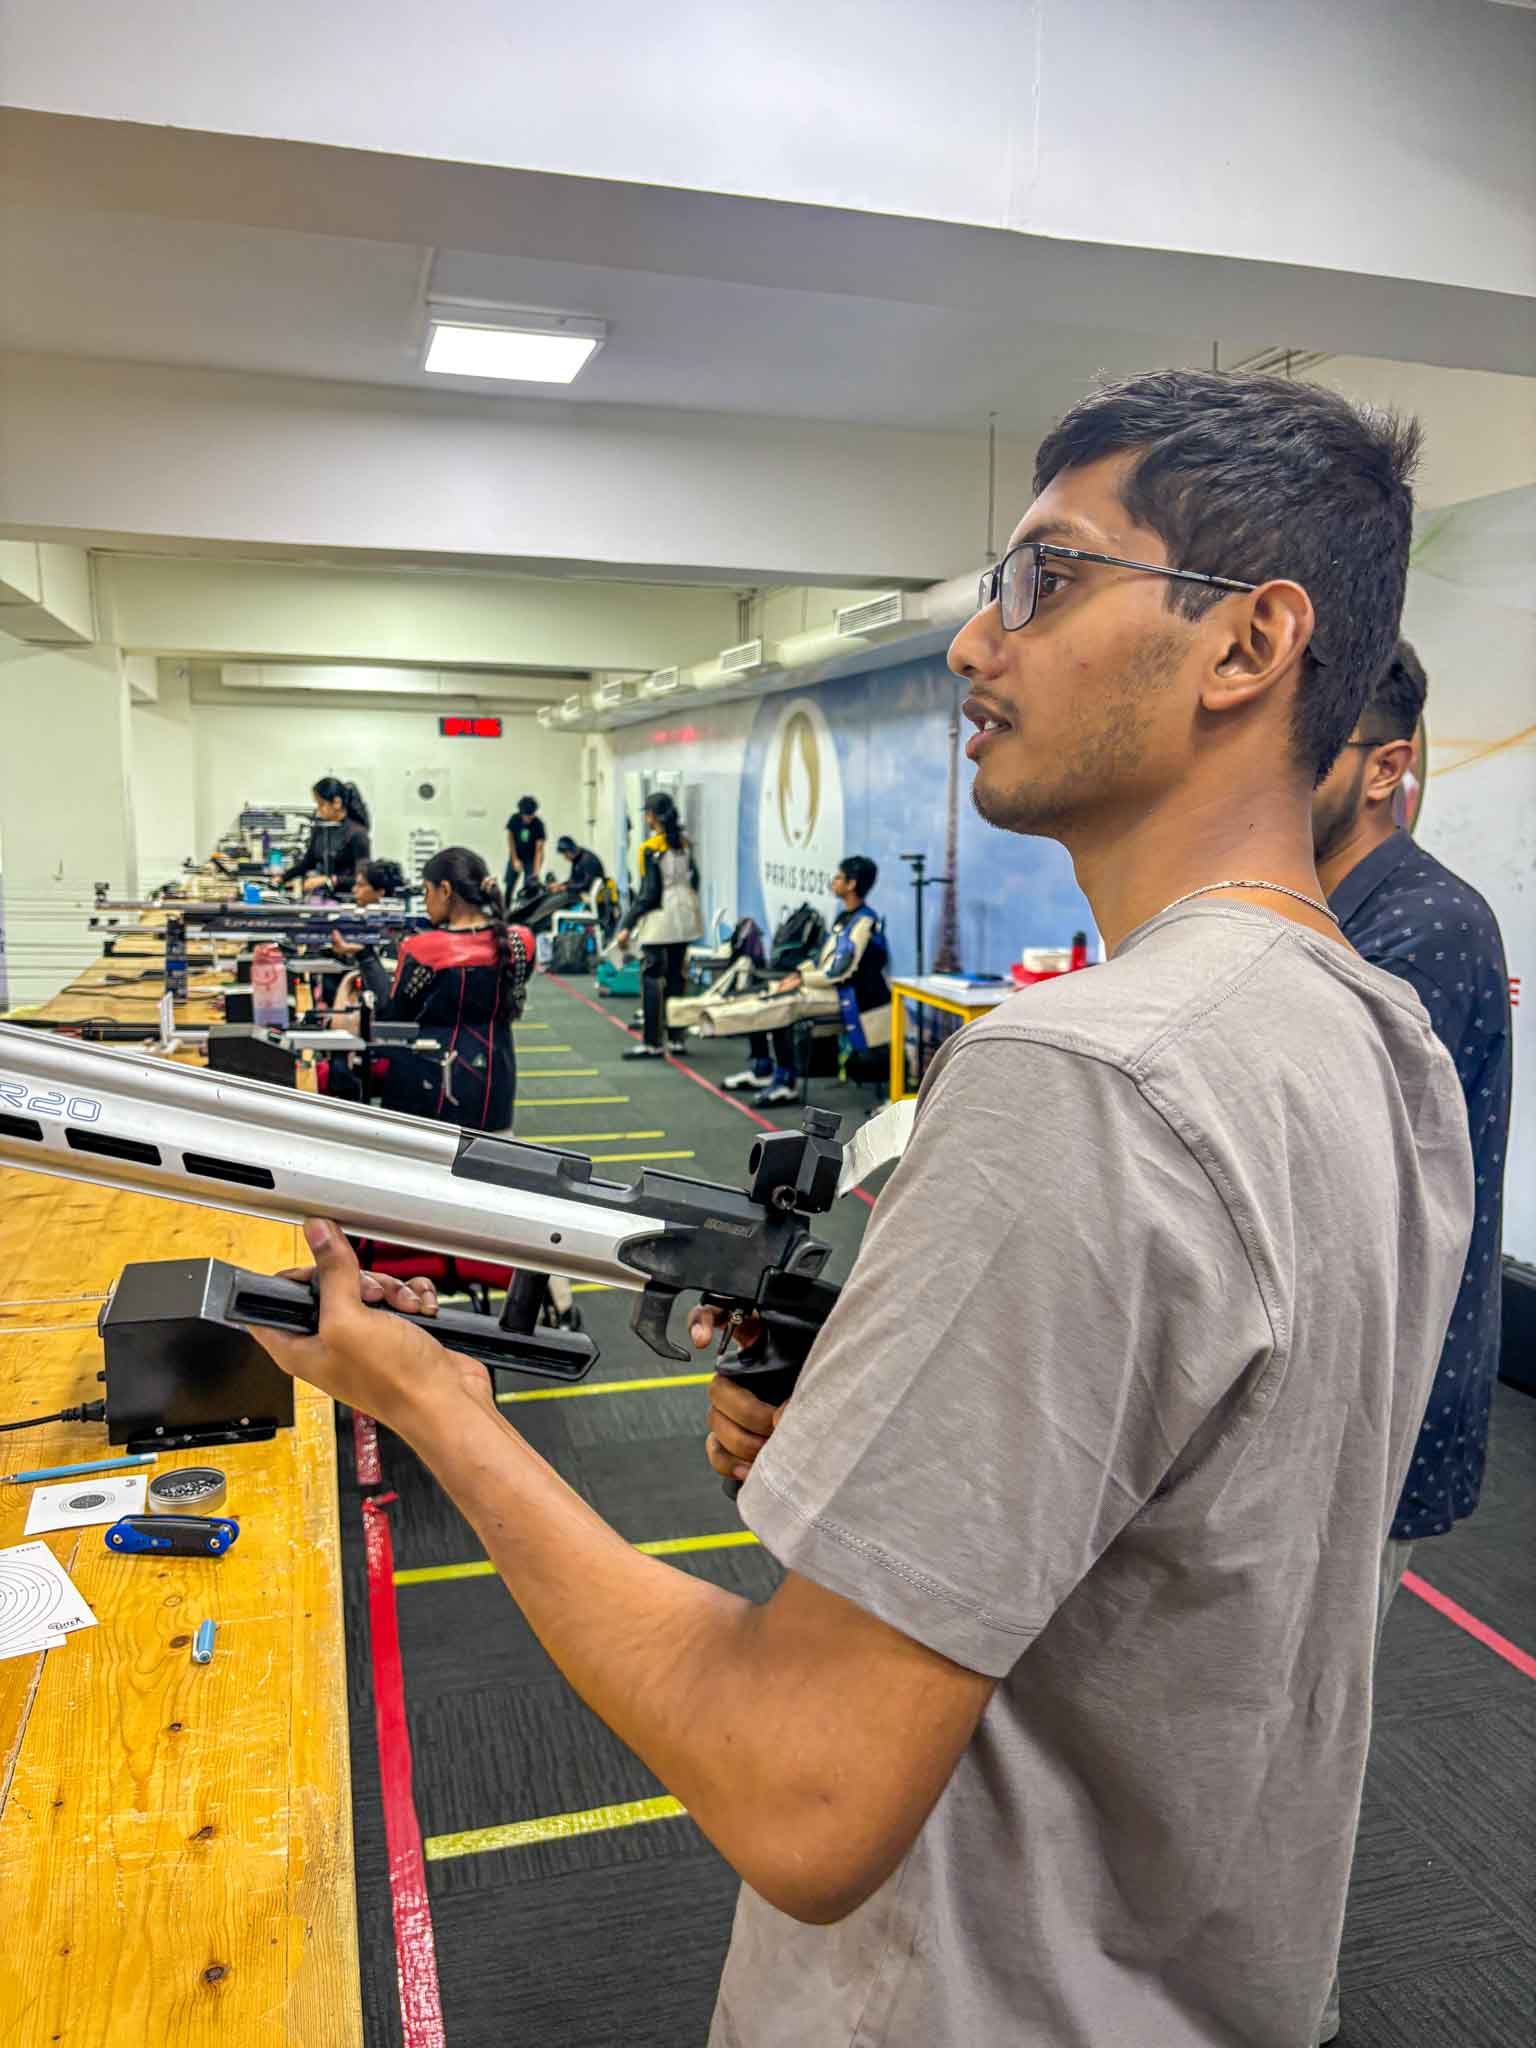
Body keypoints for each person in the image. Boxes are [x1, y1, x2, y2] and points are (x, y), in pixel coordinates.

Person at [250, 370, 1473, 2048]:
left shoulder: (1089, 1079)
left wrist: (435, 1404)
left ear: (1246, 646)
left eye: (1048, 578)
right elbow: (1204, 1496)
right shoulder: (1377, 1039)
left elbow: (801, 1791)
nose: (976, 644)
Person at [1311, 639, 1511, 2043]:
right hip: (1317, 1398)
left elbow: (1352, 1186)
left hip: (1381, 1416)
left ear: (1385, 769)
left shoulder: (1424, 925)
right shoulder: (1326, 902)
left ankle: (1284, 2005)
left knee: (1299, 1744)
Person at [352, 845, 532, 1130]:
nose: (425, 901)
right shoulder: (521, 943)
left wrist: (364, 956)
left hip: (433, 1091)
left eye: (427, 891)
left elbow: (392, 1019)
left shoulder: (423, 950)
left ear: (445, 890)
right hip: (495, 1086)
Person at [710, 858, 889, 1106]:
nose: (833, 882)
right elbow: (821, 961)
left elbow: (840, 970)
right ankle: (762, 1068)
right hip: (825, 988)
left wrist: (802, 979)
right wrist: (797, 974)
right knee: (762, 993)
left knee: (780, 1006)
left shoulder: (863, 922)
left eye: (838, 877)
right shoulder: (844, 918)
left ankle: (786, 1082)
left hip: (846, 996)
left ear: (851, 884)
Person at [614, 793, 703, 1059]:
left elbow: (649, 893)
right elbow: (694, 879)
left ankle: (652, 1041)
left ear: (652, 815)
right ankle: (677, 1038)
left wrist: (627, 923)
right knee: (677, 975)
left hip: (661, 916)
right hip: (687, 912)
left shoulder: (649, 848)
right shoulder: (685, 844)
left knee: (652, 976)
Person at [282, 778, 371, 894]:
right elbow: (307, 862)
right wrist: (282, 878)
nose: (318, 811)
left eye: (321, 804)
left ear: (337, 803)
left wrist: (328, 880)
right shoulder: (321, 828)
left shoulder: (357, 833)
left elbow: (362, 877)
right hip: (323, 897)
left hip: (347, 898)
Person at [504, 795, 547, 904]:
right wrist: (514, 860)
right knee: (509, 885)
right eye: (526, 816)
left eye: (530, 816)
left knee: (530, 886)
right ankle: (504, 911)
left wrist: (536, 871)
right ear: (521, 813)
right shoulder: (514, 819)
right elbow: (510, 839)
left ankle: (526, 913)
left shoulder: (538, 824)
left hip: (531, 858)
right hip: (517, 855)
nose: (528, 819)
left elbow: (539, 850)